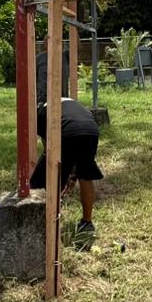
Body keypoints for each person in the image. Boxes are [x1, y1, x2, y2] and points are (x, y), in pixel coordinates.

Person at [29, 95, 102, 238]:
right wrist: (73, 173)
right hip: (92, 131)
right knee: (86, 176)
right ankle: (87, 222)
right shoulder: (73, 104)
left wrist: (61, 170)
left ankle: (46, 222)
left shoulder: (41, 113)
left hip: (67, 132)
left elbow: (47, 144)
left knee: (43, 179)